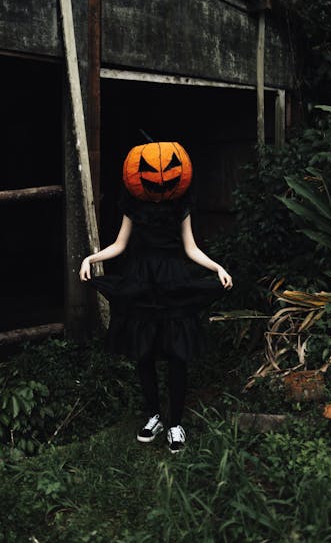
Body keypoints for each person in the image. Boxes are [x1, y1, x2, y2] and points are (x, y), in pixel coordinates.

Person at [79, 142, 232, 453]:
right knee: (143, 353)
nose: (160, 176)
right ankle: (153, 416)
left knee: (177, 354)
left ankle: (175, 423)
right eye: (149, 171)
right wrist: (91, 260)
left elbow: (191, 248)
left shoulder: (180, 206)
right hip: (142, 282)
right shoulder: (134, 206)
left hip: (174, 281)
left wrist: (217, 267)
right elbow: (120, 245)